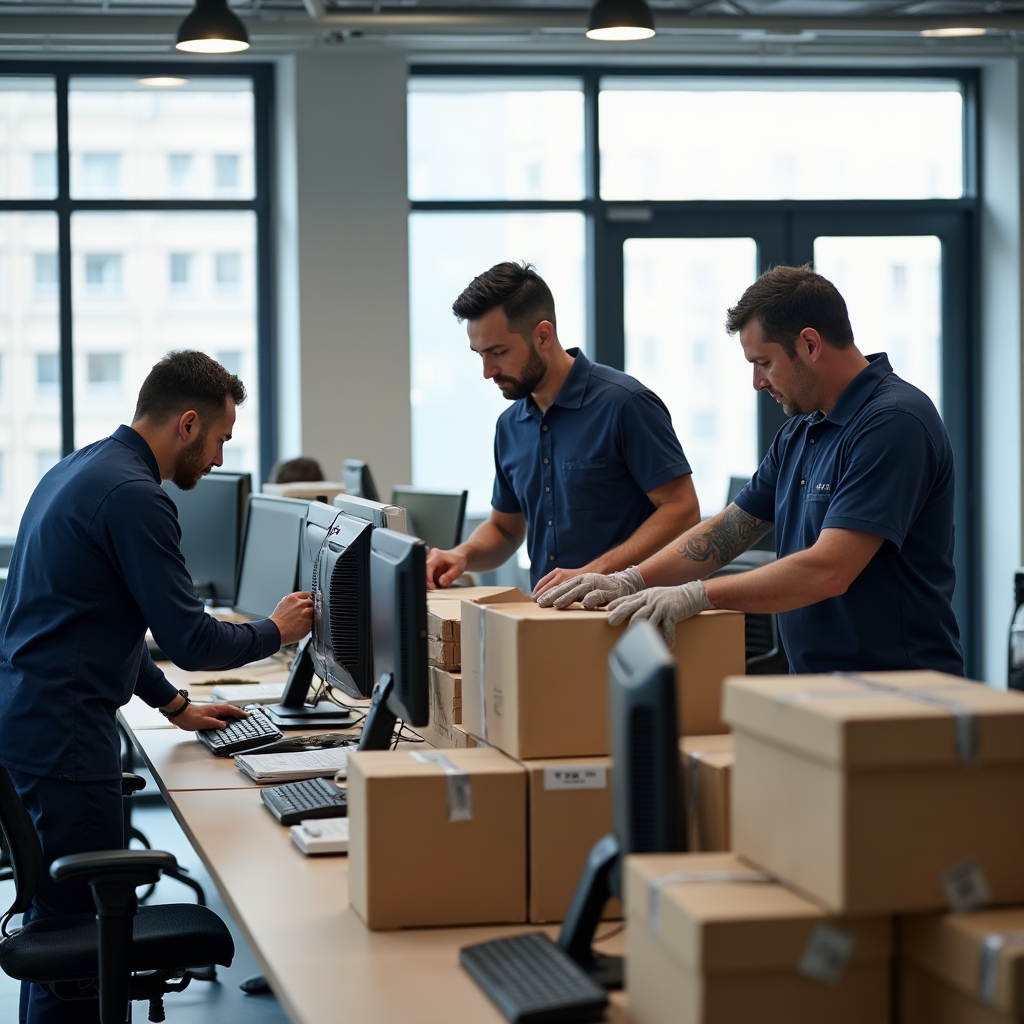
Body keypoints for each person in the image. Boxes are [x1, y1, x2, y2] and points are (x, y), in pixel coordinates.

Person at [0, 351, 313, 1024]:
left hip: (34, 722)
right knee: (79, 952)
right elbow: (191, 640)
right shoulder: (136, 496)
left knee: (55, 933)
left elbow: (99, 623)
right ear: (188, 423)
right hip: (64, 740)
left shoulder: (79, 468)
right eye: (221, 439)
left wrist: (174, 705)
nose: (219, 457)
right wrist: (276, 630)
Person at [539, 265, 964, 676]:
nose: (758, 382)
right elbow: (728, 531)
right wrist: (630, 579)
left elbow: (829, 569)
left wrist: (699, 594)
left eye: (764, 362)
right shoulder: (802, 429)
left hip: (899, 690)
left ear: (810, 344)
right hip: (820, 687)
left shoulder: (893, 422)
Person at [425, 261, 700, 596]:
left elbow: (682, 509)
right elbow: (505, 529)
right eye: (480, 354)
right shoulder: (510, 426)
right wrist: (463, 555)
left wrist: (596, 572)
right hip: (547, 617)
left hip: (630, 614)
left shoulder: (625, 403)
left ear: (543, 335)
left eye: (498, 352)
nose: (487, 371)